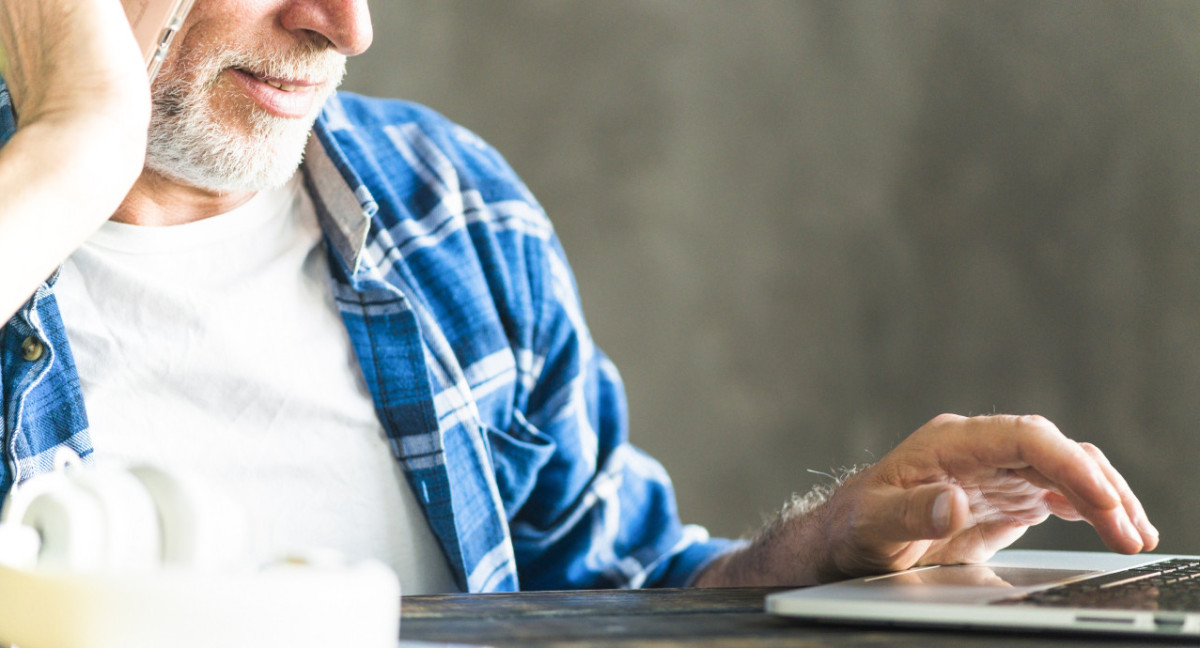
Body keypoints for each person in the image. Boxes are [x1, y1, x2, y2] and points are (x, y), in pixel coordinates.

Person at [0, 0, 1158, 594]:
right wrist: (76, 142)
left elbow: (614, 597)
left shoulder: (449, 208)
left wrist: (831, 548)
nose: (347, 26)